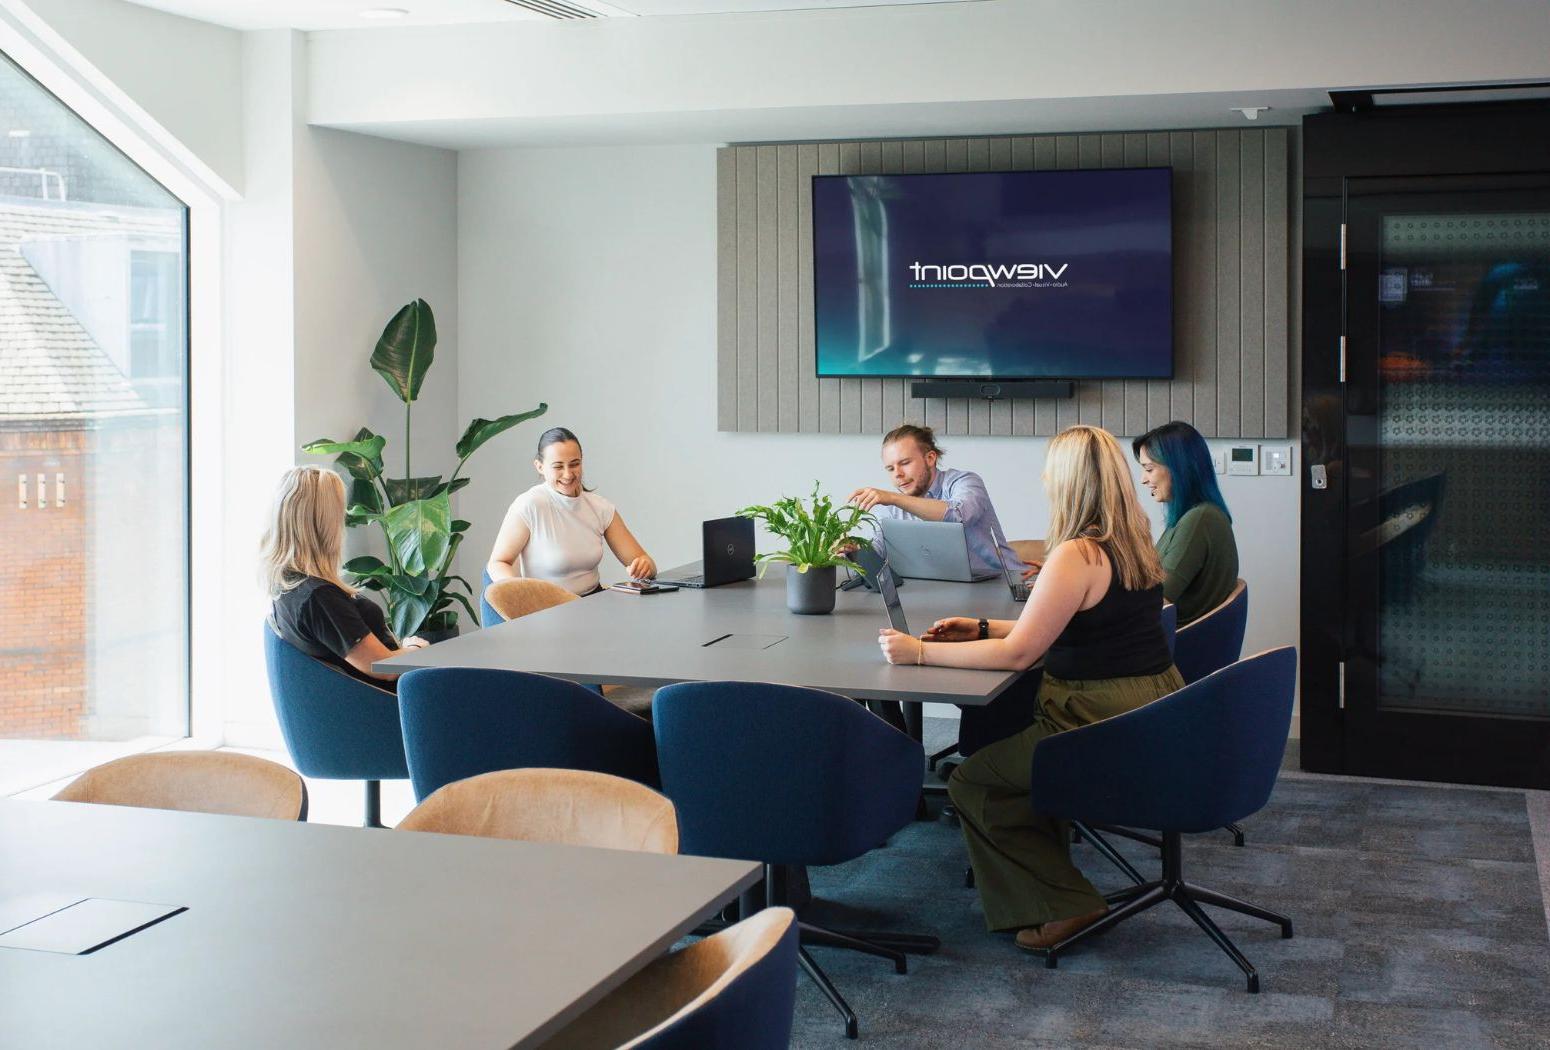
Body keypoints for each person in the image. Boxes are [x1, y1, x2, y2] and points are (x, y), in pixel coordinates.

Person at [877, 425, 1183, 951]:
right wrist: (978, 626)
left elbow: (1021, 654)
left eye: (1049, 470)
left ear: (1068, 481)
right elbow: (1059, 627)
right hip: (1148, 705)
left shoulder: (1076, 554)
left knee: (974, 782)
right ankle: (1052, 884)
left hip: (1094, 717)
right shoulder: (1132, 541)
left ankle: (1066, 903)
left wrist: (919, 651)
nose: (1043, 478)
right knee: (1007, 754)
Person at [261, 465, 428, 689]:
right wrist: (415, 649)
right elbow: (382, 667)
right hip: (385, 707)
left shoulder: (289, 586)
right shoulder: (319, 598)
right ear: (323, 524)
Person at [487, 426, 657, 596]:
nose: (568, 474)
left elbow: (644, 561)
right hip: (546, 608)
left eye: (574, 464)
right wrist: (521, 595)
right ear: (540, 467)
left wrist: (645, 566)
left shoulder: (600, 507)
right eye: (558, 467)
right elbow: (499, 562)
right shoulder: (529, 505)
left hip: (592, 603)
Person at [849, 423, 1021, 579]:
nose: (897, 474)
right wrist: (854, 549)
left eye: (905, 463)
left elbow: (958, 516)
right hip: (939, 590)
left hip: (1002, 584)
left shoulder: (965, 481)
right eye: (890, 468)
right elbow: (879, 553)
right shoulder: (891, 507)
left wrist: (894, 498)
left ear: (930, 458)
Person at [1132, 420, 1239, 626]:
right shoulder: (1191, 516)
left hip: (1175, 647)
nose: (1143, 480)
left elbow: (1155, 600)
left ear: (1177, 468)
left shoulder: (1200, 520)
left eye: (1149, 469)